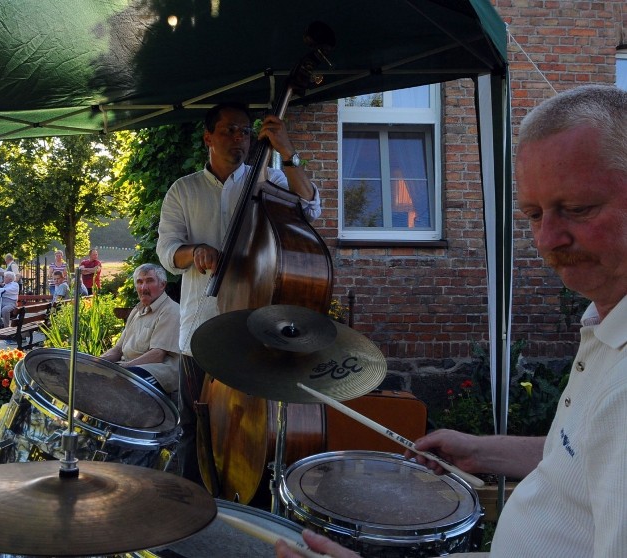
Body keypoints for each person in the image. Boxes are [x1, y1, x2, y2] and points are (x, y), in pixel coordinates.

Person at [277, 85, 627, 558]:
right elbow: (581, 456)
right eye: (533, 213)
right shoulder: (605, 323)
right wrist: (482, 450)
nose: (547, 238)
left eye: (578, 210)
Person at [156, 101, 321, 482]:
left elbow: (311, 207)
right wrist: (193, 252)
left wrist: (287, 152)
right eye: (229, 130)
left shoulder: (270, 181)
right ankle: (190, 509)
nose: (239, 138)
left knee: (250, 430)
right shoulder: (184, 190)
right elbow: (167, 252)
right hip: (200, 328)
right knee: (193, 429)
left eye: (245, 131)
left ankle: (243, 508)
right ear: (207, 137)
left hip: (255, 327)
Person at [99, 263, 181, 394]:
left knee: (118, 383)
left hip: (157, 371)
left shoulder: (170, 310)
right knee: (92, 377)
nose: (143, 287)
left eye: (149, 281)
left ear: (163, 285)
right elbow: (118, 349)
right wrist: (95, 363)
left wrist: (122, 368)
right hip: (130, 367)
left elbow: (157, 355)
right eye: (139, 282)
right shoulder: (137, 311)